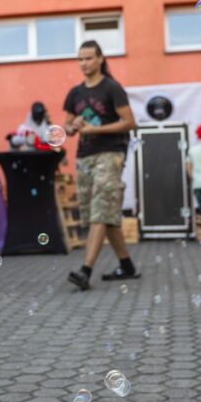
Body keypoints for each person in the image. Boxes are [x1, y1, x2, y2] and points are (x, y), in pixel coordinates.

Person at [63, 40, 138, 291]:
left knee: (100, 209)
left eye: (88, 58)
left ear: (100, 59)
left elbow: (129, 122)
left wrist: (97, 128)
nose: (84, 63)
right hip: (84, 156)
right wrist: (72, 127)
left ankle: (85, 271)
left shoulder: (111, 88)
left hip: (111, 153)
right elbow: (68, 126)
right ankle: (126, 265)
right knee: (103, 214)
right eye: (80, 59)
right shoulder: (75, 93)